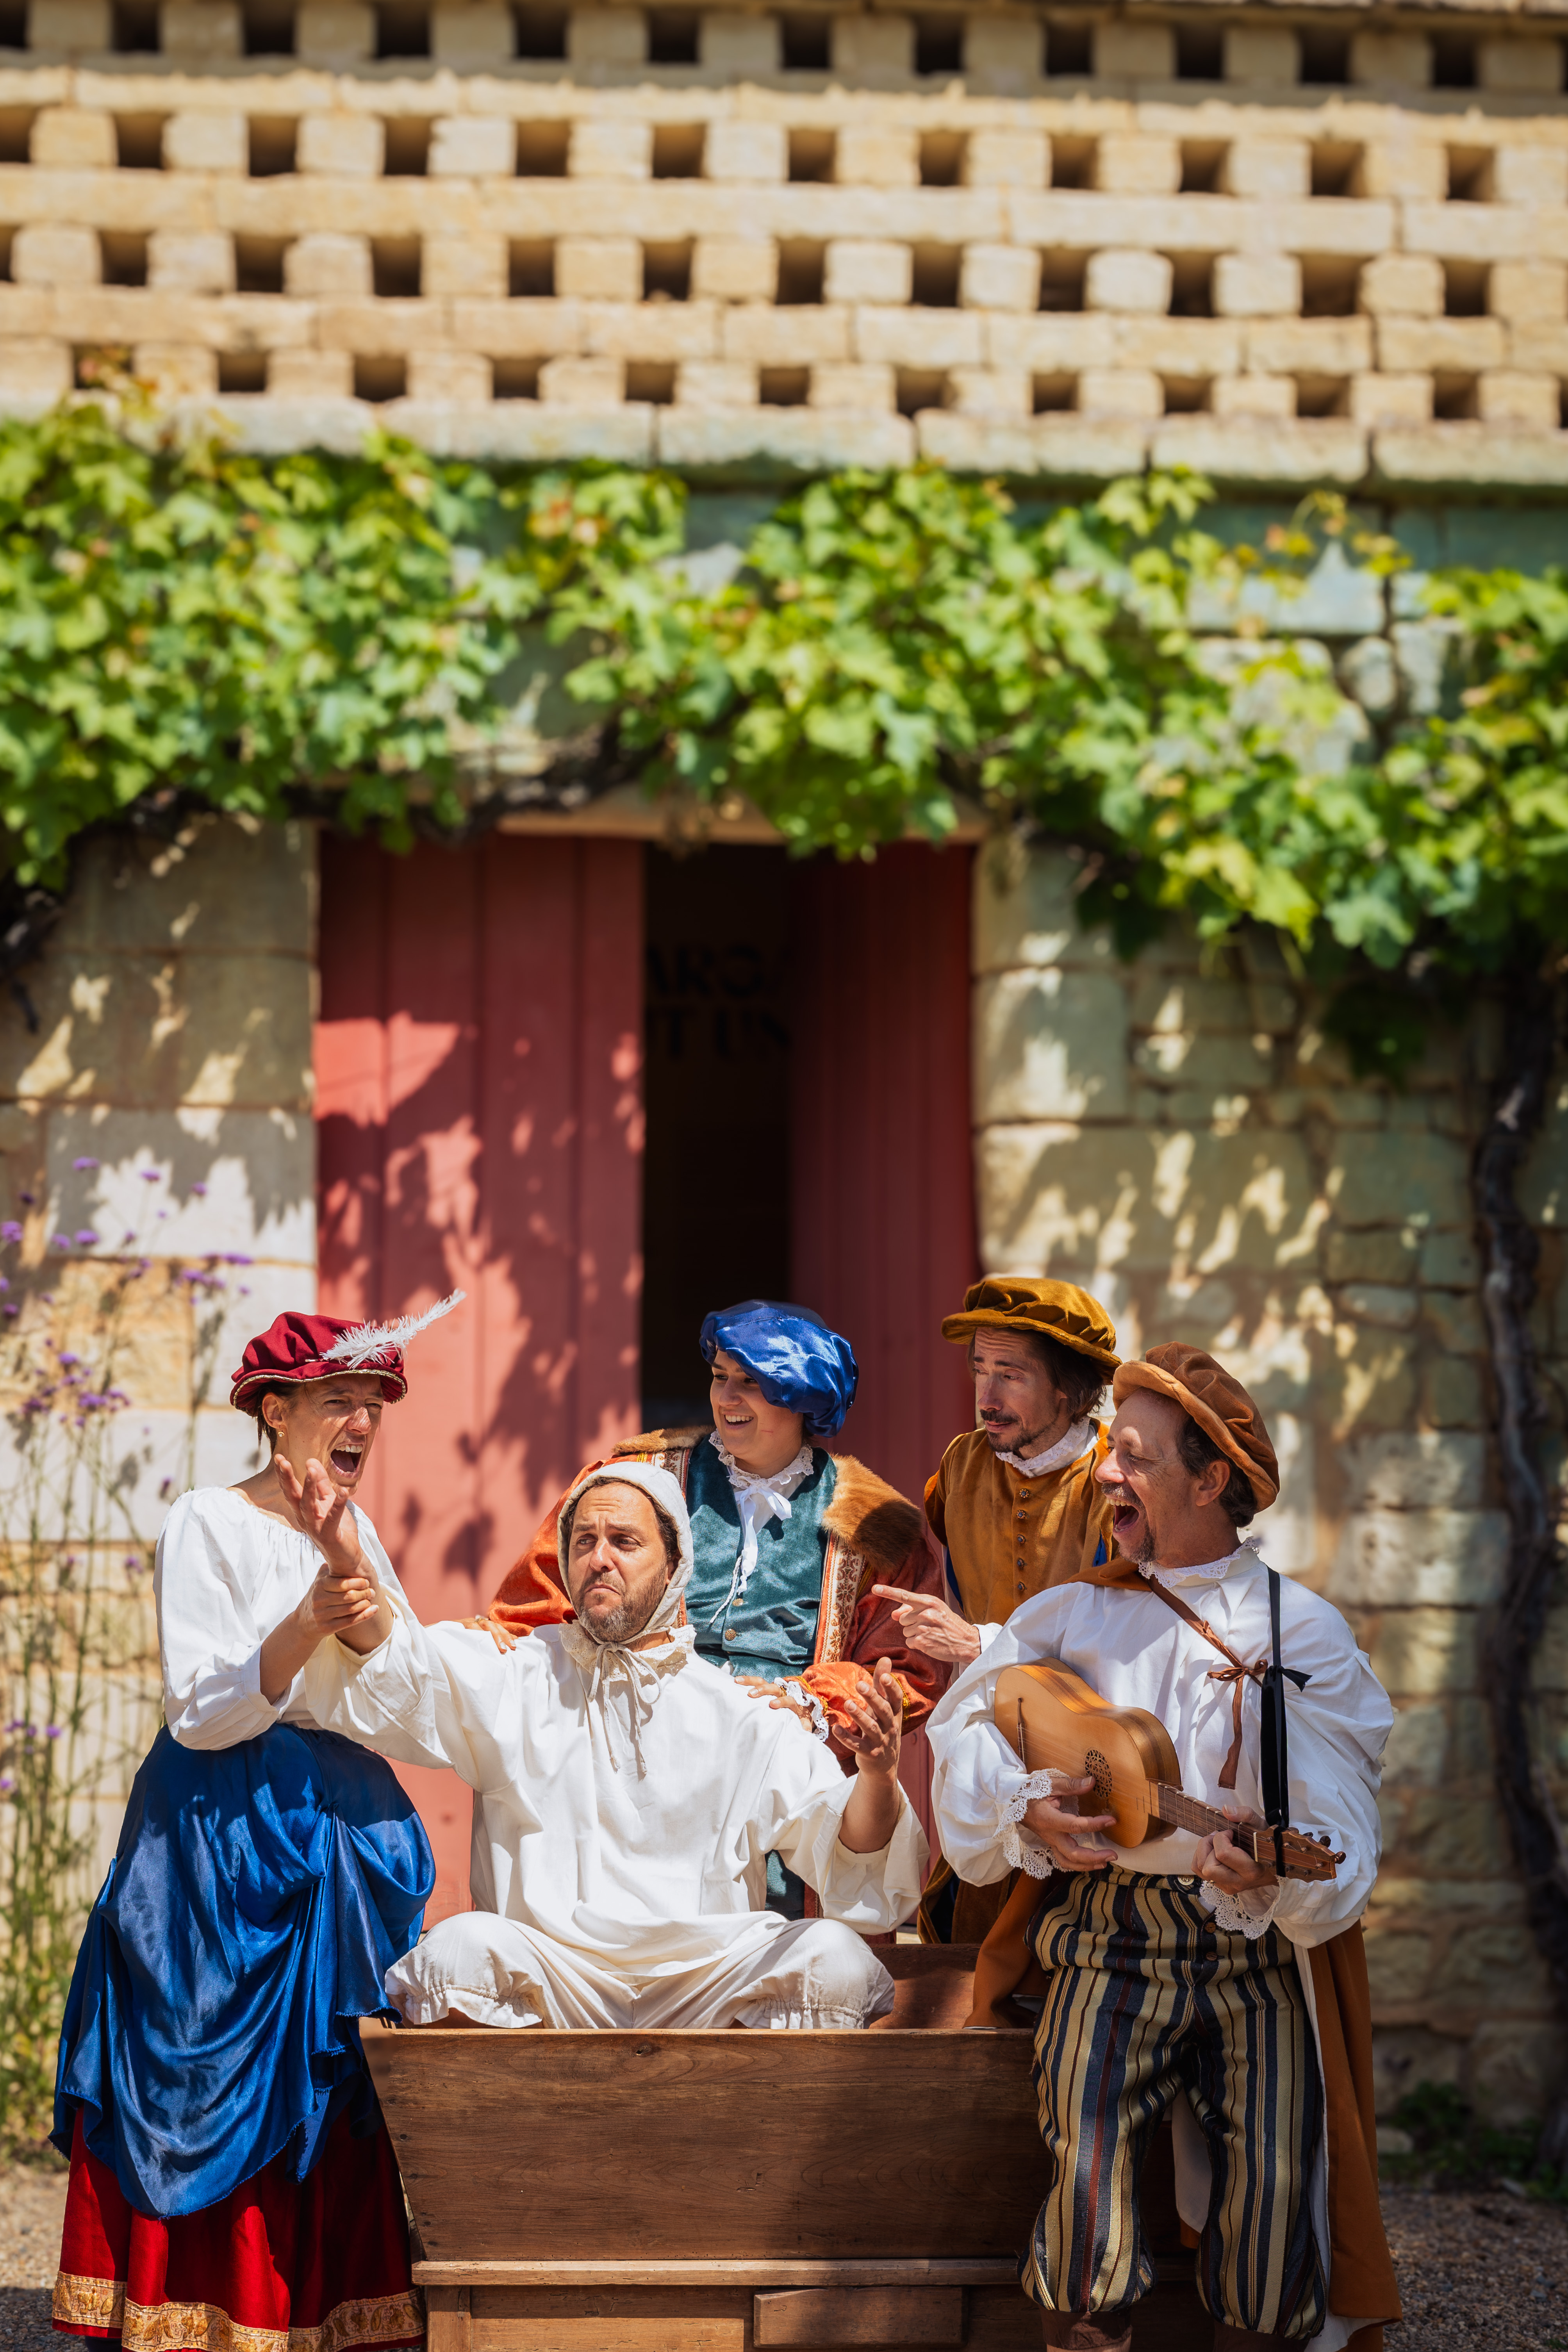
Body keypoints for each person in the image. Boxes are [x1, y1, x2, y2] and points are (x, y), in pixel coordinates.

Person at [927, 1343, 1400, 2352]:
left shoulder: (1299, 1632)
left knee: (1277, 2189)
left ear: (1211, 1478)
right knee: (1085, 2182)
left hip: (1258, 1945)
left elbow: (1346, 1826)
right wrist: (1025, 1811)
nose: (1105, 1474)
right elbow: (965, 1730)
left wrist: (1284, 1871)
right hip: (1107, 1933)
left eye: (1135, 1458)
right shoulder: (1070, 1616)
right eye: (1113, 1453)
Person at [51, 1307, 449, 2352]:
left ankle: (317, 2314)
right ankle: (196, 2314)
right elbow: (203, 1708)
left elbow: (410, 1710)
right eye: (338, 1401)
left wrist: (359, 1606)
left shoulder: (360, 1538)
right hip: (218, 1837)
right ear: (276, 1414)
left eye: (374, 1405)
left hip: (342, 1835)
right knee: (192, 2054)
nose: (362, 1420)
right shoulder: (208, 1521)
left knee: (334, 2079)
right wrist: (309, 1619)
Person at [305, 1460, 928, 2029]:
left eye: (624, 1542)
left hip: (704, 1983)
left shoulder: (740, 1712)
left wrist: (876, 1777)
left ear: (676, 1562)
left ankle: (757, 2144)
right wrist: (344, 1565)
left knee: (834, 1960)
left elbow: (848, 1853)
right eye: (584, 1542)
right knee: (458, 1952)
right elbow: (402, 1664)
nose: (599, 1558)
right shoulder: (518, 1673)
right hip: (555, 1975)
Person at [485, 1298, 949, 1913]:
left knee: (770, 1967)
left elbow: (908, 1670)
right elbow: (537, 1605)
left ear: (801, 1397)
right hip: (641, 1758)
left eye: (751, 1384)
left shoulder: (876, 1523)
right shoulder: (640, 1480)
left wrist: (812, 1702)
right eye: (720, 1378)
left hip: (785, 1774)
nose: (728, 1397)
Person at [869, 1275, 1121, 1944]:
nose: (986, 1396)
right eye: (980, 1370)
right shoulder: (960, 1467)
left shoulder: (1114, 1482)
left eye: (1011, 1374)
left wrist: (978, 1640)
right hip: (986, 1756)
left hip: (1088, 1759)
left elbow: (1121, 1644)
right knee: (966, 1944)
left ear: (1068, 1387)